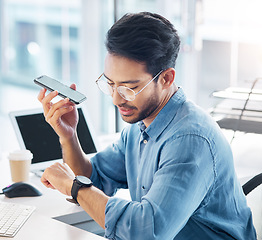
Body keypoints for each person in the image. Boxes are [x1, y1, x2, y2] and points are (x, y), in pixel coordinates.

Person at [37, 12, 256, 240]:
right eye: (111, 84)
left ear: (166, 79)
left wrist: (74, 187)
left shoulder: (190, 140)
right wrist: (69, 136)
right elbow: (94, 179)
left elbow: (145, 233)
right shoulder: (139, 125)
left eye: (129, 88)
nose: (116, 99)